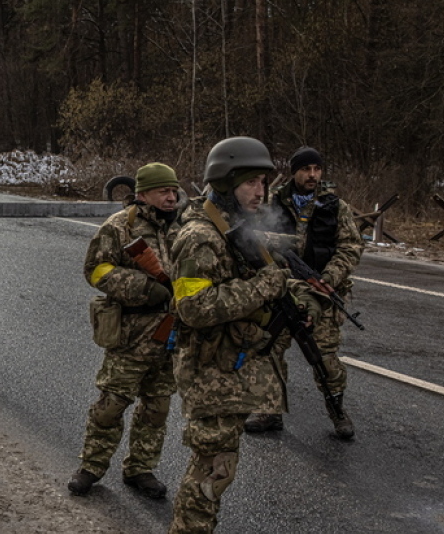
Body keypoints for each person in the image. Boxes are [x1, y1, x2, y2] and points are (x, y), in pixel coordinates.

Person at [167, 136, 320, 533]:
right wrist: (266, 286)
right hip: (211, 375)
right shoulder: (200, 236)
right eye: (252, 182)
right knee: (210, 477)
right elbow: (193, 308)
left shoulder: (234, 228)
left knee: (218, 473)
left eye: (264, 182)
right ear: (224, 181)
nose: (261, 191)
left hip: (229, 373)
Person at [68, 162, 182, 500]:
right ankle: (91, 466)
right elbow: (95, 269)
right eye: (164, 191)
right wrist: (143, 286)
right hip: (131, 333)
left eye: (174, 191)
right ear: (143, 194)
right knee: (112, 404)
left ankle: (140, 469)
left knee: (157, 406)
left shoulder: (183, 228)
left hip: (170, 332)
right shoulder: (120, 227)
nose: (171, 197)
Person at [243, 146, 362, 439]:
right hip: (280, 290)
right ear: (294, 171)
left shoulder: (335, 207)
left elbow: (351, 247)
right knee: (267, 349)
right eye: (306, 169)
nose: (312, 175)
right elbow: (249, 239)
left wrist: (328, 279)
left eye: (317, 169)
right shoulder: (270, 203)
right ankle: (269, 410)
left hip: (321, 292)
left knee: (324, 357)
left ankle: (337, 412)